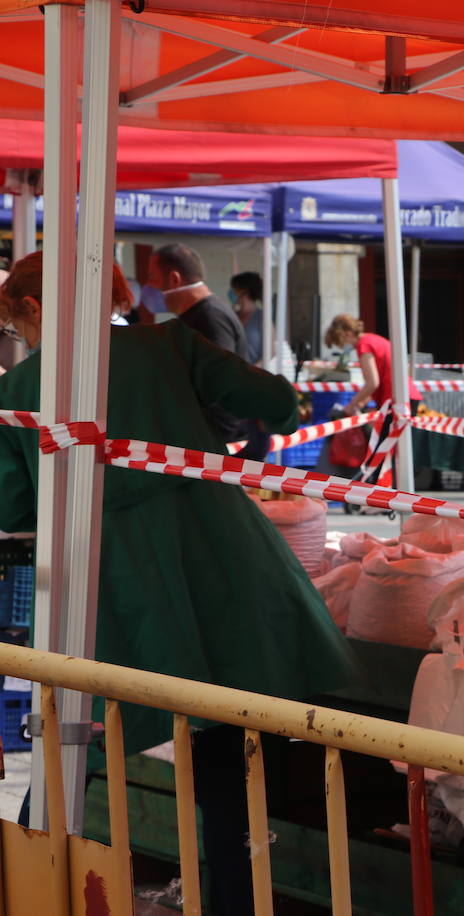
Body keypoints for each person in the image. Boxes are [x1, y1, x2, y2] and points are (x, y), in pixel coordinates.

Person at [0, 251, 361, 916]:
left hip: (110, 588)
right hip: (223, 560)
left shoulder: (20, 391)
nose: (23, 342)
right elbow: (279, 405)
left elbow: (10, 505)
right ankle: (232, 901)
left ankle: (27, 890)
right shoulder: (169, 343)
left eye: (19, 330)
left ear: (33, 309)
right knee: (224, 747)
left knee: (72, 740)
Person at [145, 244, 255, 451]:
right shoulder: (198, 316)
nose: (149, 285)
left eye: (152, 277)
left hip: (213, 446)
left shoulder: (210, 319)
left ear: (174, 279)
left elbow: (219, 384)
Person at [323, 314, 423, 482]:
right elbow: (379, 379)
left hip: (396, 400)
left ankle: (378, 495)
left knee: (381, 450)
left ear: (346, 334)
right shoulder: (374, 339)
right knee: (390, 449)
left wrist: (351, 405)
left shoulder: (364, 346)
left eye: (341, 342)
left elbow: (372, 382)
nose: (343, 347)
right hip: (404, 396)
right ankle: (387, 491)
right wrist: (360, 403)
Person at [229, 270, 265, 365]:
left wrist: (252, 371)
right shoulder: (232, 316)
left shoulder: (262, 318)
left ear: (245, 292)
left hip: (253, 375)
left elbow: (270, 353)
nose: (231, 292)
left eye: (234, 289)